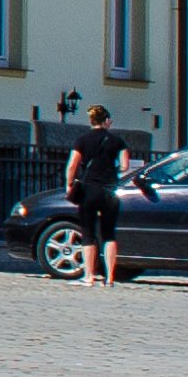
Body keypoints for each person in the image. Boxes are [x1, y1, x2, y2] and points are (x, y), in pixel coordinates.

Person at [63, 105, 134, 283]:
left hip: (89, 190)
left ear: (91, 120)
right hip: (109, 190)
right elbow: (125, 166)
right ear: (106, 121)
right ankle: (109, 277)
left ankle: (89, 276)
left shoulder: (82, 140)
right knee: (109, 234)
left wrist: (69, 184)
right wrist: (112, 170)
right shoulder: (118, 141)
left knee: (87, 233)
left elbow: (72, 165)